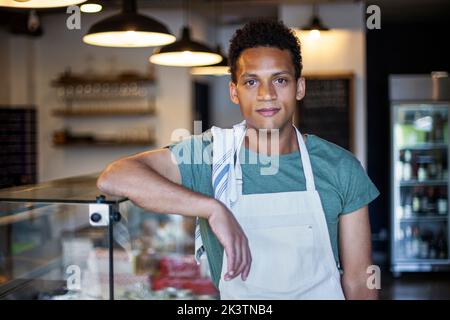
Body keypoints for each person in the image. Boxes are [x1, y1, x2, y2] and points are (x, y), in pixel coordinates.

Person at [97, 19, 380, 300]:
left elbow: (359, 281)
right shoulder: (211, 156)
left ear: (299, 87)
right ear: (234, 91)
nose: (267, 95)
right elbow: (115, 176)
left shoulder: (341, 167)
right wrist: (213, 209)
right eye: (251, 81)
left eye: (280, 80)